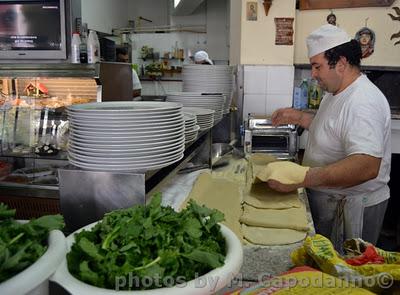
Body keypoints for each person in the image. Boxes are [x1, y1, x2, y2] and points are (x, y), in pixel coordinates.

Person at [269, 24, 391, 250]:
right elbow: (330, 127)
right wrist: (297, 117)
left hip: (352, 211)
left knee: (347, 276)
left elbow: (366, 166)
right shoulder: (336, 92)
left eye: (317, 66)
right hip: (331, 202)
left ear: (342, 64)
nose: (313, 74)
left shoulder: (363, 101)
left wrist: (302, 178)